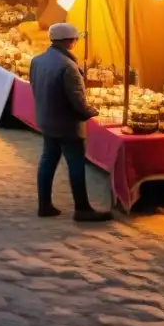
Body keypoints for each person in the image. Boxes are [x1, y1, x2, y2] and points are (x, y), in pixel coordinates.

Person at [31, 23, 112, 222]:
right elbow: (78, 101)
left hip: (47, 119)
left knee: (48, 160)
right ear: (70, 41)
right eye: (75, 39)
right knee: (76, 164)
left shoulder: (38, 60)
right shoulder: (68, 67)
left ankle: (44, 204)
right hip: (67, 124)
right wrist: (93, 111)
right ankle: (82, 208)